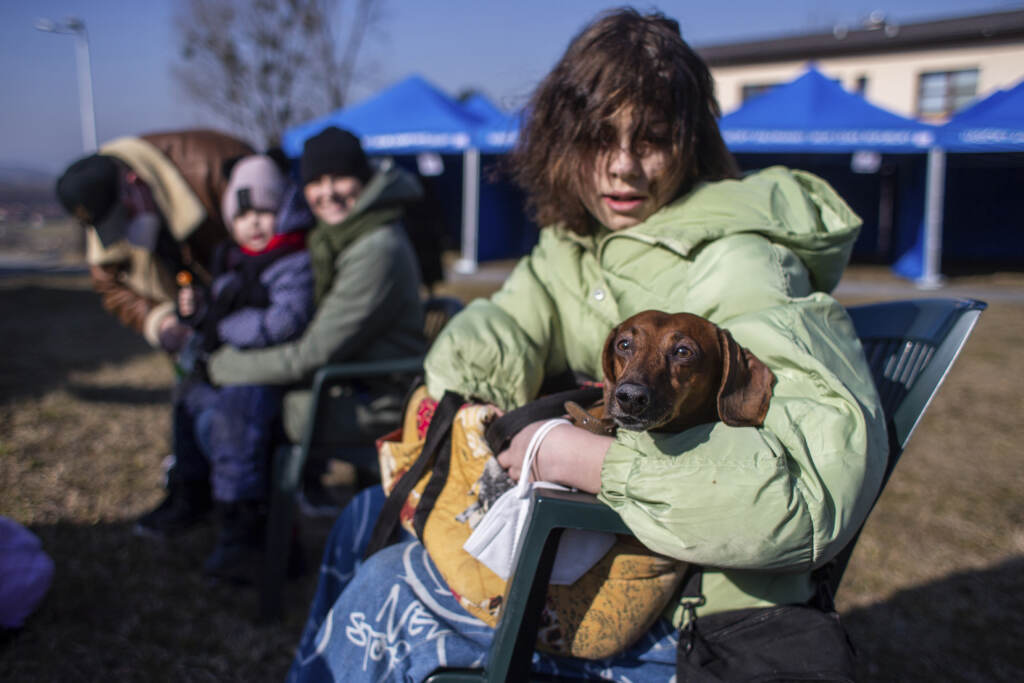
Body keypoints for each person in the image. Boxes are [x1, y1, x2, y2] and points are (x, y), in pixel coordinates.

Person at [286, 8, 889, 682]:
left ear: (691, 143)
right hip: (591, 547)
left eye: (652, 138)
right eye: (599, 137)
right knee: (363, 515)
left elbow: (809, 496)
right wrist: (471, 396)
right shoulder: (576, 246)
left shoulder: (743, 266)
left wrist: (582, 458)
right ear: (562, 141)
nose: (623, 167)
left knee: (388, 591)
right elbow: (509, 322)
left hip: (692, 611)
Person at [205, 127, 428, 511]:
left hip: (373, 393)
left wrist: (225, 366)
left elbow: (311, 354)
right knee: (239, 402)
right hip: (348, 378)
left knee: (238, 406)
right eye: (315, 182)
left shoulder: (376, 248)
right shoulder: (339, 236)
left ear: (363, 178)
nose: (328, 192)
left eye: (339, 178)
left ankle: (248, 528)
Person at [134, 155, 315, 583]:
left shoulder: (293, 261)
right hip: (232, 369)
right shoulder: (232, 260)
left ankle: (244, 524)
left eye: (264, 212)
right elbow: (218, 314)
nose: (254, 223)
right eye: (243, 215)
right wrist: (200, 312)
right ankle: (192, 489)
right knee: (189, 399)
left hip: (265, 376)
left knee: (235, 422)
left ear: (284, 211)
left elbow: (284, 321)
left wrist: (227, 327)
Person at [55, 129, 255, 354]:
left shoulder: (212, 162)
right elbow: (109, 284)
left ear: (134, 180)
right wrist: (161, 322)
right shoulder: (98, 197)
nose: (123, 232)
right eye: (111, 226)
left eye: (125, 215)